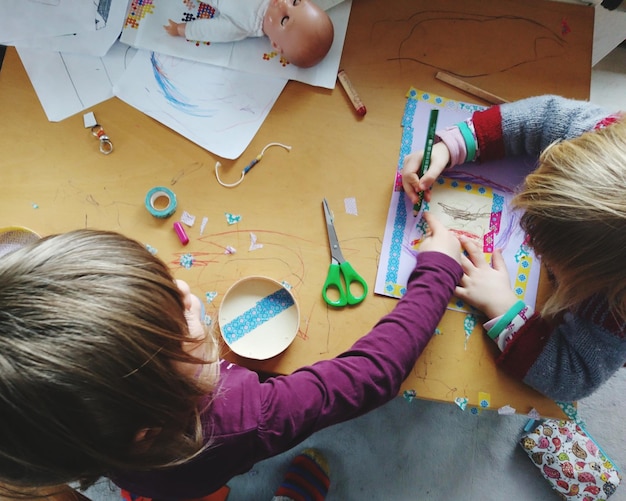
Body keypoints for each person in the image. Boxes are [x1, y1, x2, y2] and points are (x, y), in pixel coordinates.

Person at [0, 213, 462, 500]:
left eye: (166, 286)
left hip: (144, 475)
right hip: (191, 473)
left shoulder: (45, 432)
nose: (185, 291)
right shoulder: (241, 417)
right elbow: (374, 374)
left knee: (166, 486)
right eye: (184, 327)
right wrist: (438, 267)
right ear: (149, 422)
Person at [401, 94, 626, 403]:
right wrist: (449, 147)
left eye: (546, 252)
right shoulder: (600, 138)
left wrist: (502, 306)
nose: (528, 240)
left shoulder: (615, 313)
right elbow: (544, 117)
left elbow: (572, 377)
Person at [163, 0, 334, 68]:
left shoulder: (243, 24)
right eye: (295, 1)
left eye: (284, 19)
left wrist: (183, 29)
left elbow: (211, 30)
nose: (283, 3)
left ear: (275, 44)